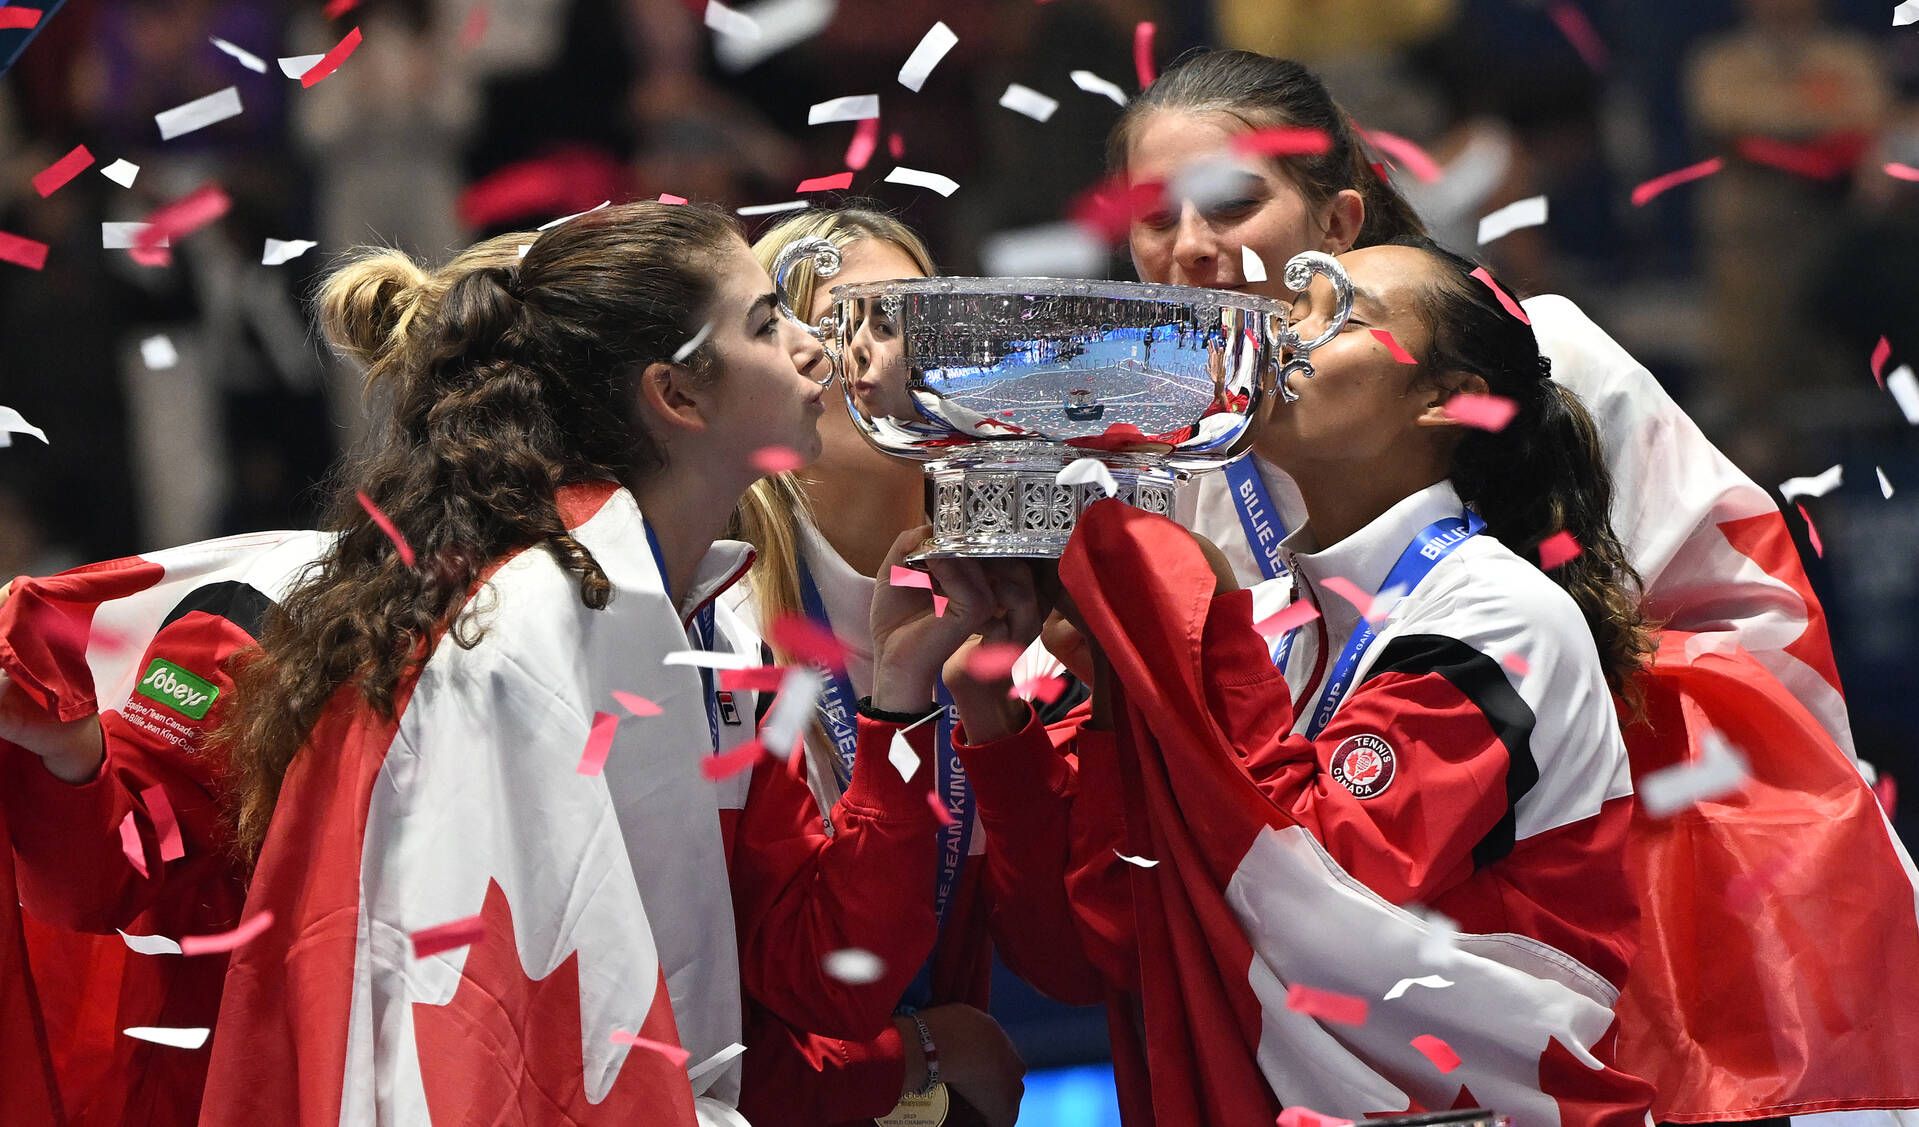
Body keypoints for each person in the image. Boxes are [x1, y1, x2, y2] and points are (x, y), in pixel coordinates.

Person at [1101, 48, 1919, 1121]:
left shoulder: (1543, 354)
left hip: (1585, 922)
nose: (1191, 249)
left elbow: (1751, 620)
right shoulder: (1151, 457)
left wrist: (1535, 754)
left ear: (1339, 221)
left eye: (1229, 206)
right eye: (1153, 219)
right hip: (1305, 950)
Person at [0, 202, 945, 1126]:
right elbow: (459, 1033)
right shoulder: (433, 629)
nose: (821, 348)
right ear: (676, 393)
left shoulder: (722, 633)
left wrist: (901, 709)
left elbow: (814, 965)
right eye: (769, 321)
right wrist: (75, 757)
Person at [933, 240, 1660, 1123]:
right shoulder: (1275, 625)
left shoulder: (1501, 615)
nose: (1282, 338)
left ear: (1443, 397)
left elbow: (1315, 893)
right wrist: (1002, 726)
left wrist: (1190, 625)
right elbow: (1092, 952)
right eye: (1290, 310)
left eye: (1337, 315)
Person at [726, 205, 1076, 1127]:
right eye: (840, 319)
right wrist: (913, 1053)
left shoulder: (1019, 593)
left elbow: (1066, 952)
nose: (878, 354)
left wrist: (996, 722)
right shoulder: (719, 613)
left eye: (912, 320)